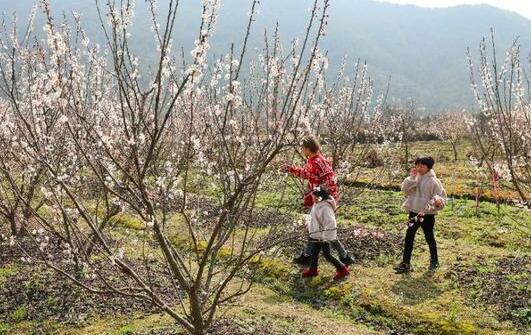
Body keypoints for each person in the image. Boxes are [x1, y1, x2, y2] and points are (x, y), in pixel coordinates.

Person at [285, 137, 354, 266]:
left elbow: (330, 181)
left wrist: (324, 199)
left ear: (307, 148)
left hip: (323, 201)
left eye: (303, 148)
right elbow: (306, 174)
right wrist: (291, 169)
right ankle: (342, 256)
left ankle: (310, 256)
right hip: (321, 200)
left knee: (320, 228)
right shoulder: (314, 160)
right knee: (320, 228)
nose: (301, 150)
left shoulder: (318, 162)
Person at [394, 156, 447, 274]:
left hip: (427, 214)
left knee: (429, 237)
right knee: (409, 236)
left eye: (422, 166)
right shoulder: (415, 178)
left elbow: (442, 198)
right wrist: (411, 177)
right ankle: (406, 263)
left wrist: (438, 202)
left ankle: (434, 259)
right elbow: (405, 190)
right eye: (417, 165)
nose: (418, 168)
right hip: (414, 211)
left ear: (428, 167)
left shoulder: (434, 181)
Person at [302, 186, 350, 281]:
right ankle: (313, 270)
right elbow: (314, 217)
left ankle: (342, 269)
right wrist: (308, 224)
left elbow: (331, 223)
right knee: (314, 253)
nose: (311, 198)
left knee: (327, 255)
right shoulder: (317, 204)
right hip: (316, 234)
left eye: (313, 196)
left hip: (322, 236)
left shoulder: (325, 208)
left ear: (319, 197)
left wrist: (325, 237)